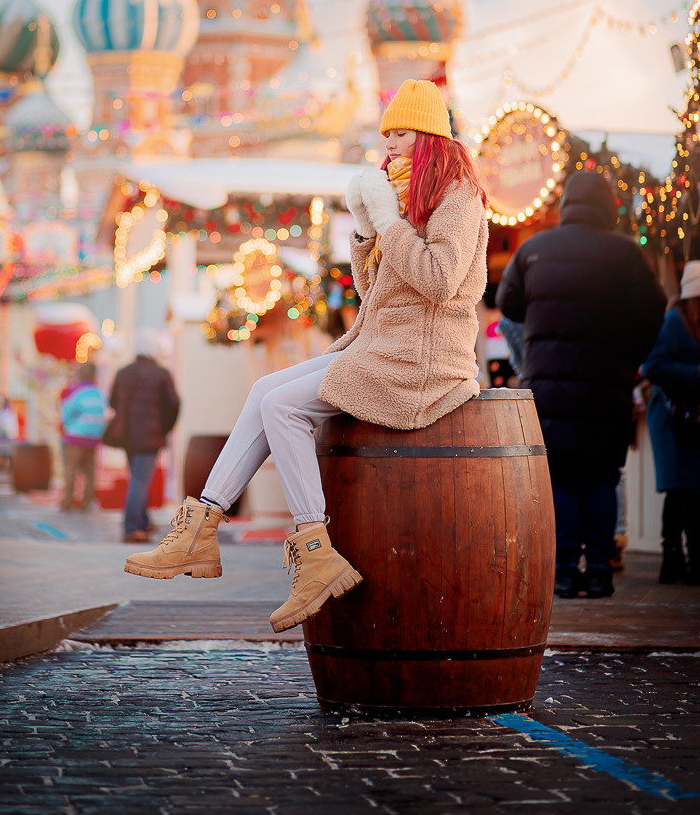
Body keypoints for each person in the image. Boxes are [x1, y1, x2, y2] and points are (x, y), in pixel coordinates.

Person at [125, 79, 489, 634]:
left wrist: (389, 225)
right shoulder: (404, 194)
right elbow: (375, 294)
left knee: (284, 407)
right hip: (383, 346)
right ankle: (201, 527)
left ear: (430, 136)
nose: (389, 142)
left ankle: (315, 551)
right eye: (386, 132)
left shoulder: (457, 195)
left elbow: (439, 281)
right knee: (263, 390)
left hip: (423, 361)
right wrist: (366, 233)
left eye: (402, 133)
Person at [497, 169, 666, 600]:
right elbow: (654, 311)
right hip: (606, 387)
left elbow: (507, 303)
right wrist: (630, 359)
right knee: (602, 478)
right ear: (608, 206)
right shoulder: (625, 253)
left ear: (566, 203)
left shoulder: (534, 249)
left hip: (548, 390)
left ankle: (566, 572)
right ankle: (601, 573)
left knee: (561, 480)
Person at [641, 260, 700, 585]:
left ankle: (688, 563)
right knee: (679, 490)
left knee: (691, 491)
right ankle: (672, 560)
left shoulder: (691, 322)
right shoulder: (675, 322)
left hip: (690, 418)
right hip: (671, 419)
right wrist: (695, 375)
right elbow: (652, 366)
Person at [109, 329, 180, 544]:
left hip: (127, 436)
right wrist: (164, 428)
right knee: (140, 481)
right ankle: (133, 526)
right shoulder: (161, 373)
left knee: (137, 478)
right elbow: (173, 405)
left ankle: (143, 520)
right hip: (150, 437)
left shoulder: (123, 372)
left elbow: (112, 402)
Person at [59, 361, 106, 512]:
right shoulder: (99, 393)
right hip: (93, 439)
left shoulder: (76, 392)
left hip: (75, 437)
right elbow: (104, 414)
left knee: (71, 470)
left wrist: (67, 426)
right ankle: (87, 502)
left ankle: (67, 502)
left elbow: (65, 413)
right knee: (90, 473)